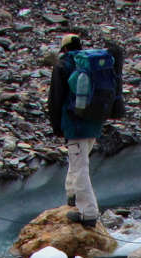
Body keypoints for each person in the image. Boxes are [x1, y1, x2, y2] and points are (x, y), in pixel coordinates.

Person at [47, 34, 124, 227]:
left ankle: (88, 212)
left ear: (63, 47)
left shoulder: (64, 65)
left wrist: (57, 126)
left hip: (75, 124)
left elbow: (55, 98)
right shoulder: (91, 64)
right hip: (94, 121)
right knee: (78, 161)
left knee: (80, 166)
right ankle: (72, 196)